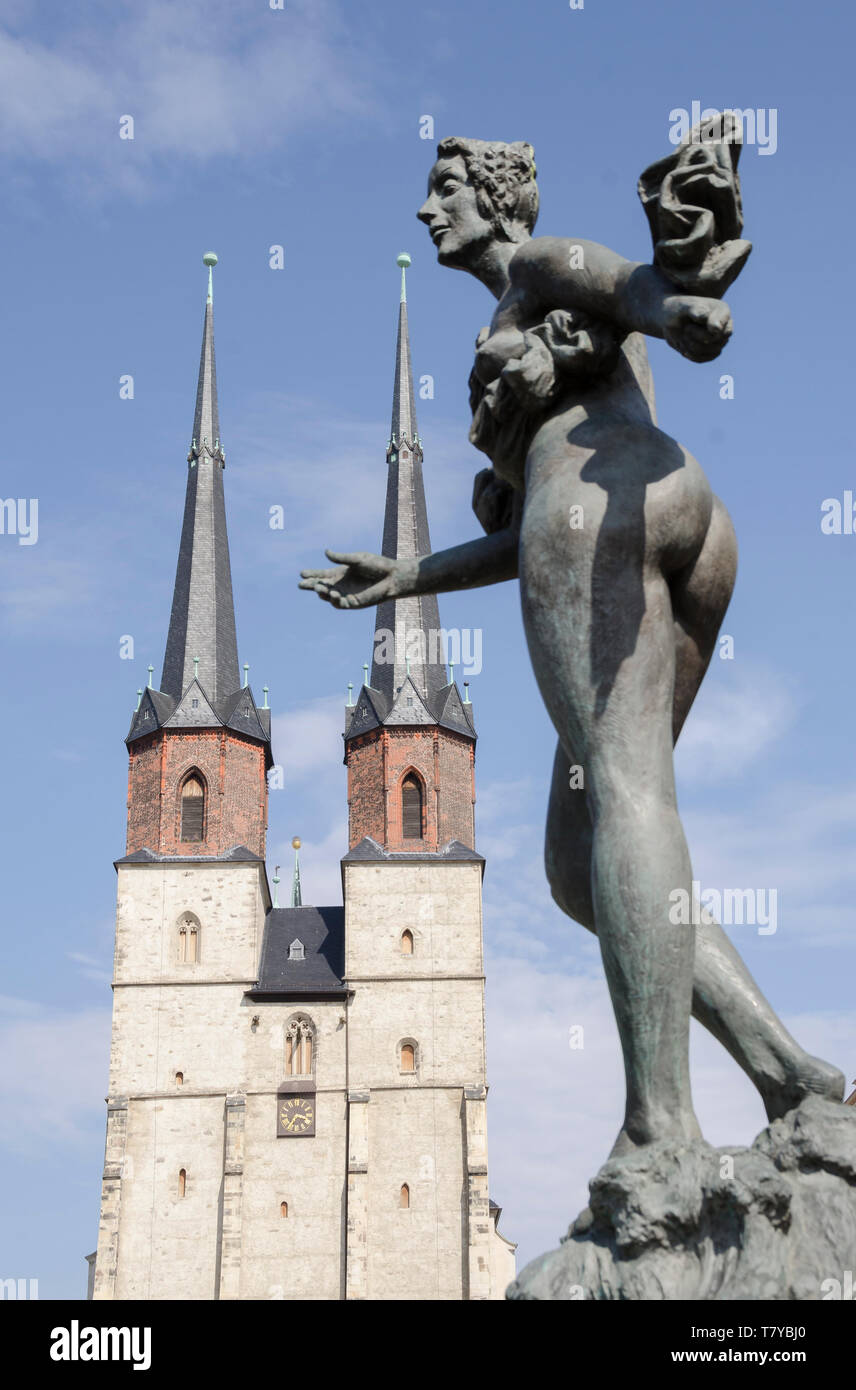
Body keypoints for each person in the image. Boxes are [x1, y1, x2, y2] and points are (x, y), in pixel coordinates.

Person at [300, 117, 843, 1156]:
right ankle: (785, 1070)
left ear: (497, 198)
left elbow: (629, 289)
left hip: (599, 517)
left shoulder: (538, 266)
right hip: (682, 521)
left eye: (445, 187)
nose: (428, 209)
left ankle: (661, 1124)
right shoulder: (527, 311)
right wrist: (407, 577)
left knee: (626, 794)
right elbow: (530, 539)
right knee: (572, 852)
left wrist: (675, 304)